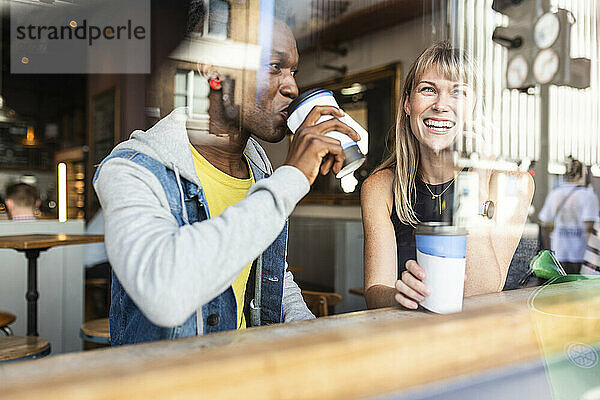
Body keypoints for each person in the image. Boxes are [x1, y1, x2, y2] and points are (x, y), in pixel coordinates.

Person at [93, 11, 360, 344]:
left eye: (293, 71)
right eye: (274, 66)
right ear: (214, 67)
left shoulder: (260, 172)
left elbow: (269, 276)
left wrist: (310, 335)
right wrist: (291, 179)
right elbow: (164, 292)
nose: (292, 86)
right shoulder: (133, 169)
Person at [361, 42, 534, 309]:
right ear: (408, 103)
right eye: (428, 90)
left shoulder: (513, 183)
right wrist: (399, 295)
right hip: (411, 336)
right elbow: (375, 292)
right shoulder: (381, 187)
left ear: (475, 108)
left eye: (459, 92)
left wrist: (476, 176)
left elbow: (480, 292)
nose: (441, 105)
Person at [539, 157, 599, 274]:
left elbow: (544, 224)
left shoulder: (555, 194)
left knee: (561, 289)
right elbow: (589, 230)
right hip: (580, 254)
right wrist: (596, 256)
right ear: (583, 174)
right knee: (579, 290)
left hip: (559, 252)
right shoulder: (588, 196)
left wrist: (548, 250)